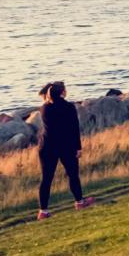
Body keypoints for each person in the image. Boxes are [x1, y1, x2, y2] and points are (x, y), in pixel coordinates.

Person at [34, 81, 91, 220]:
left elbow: (48, 101)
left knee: (46, 179)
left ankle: (43, 211)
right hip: (66, 146)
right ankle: (79, 202)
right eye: (65, 90)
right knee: (73, 175)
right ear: (62, 93)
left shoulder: (44, 109)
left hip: (47, 147)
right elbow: (74, 129)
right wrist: (78, 148)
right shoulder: (69, 107)